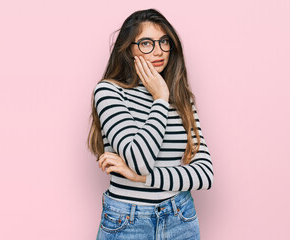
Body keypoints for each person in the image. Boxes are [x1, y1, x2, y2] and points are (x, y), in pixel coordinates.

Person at [88, 8, 214, 240]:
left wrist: (142, 179)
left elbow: (205, 175)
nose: (158, 51)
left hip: (181, 217)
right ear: (128, 49)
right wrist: (160, 99)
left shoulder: (182, 98)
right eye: (147, 43)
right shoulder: (109, 92)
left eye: (164, 41)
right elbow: (140, 161)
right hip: (127, 222)